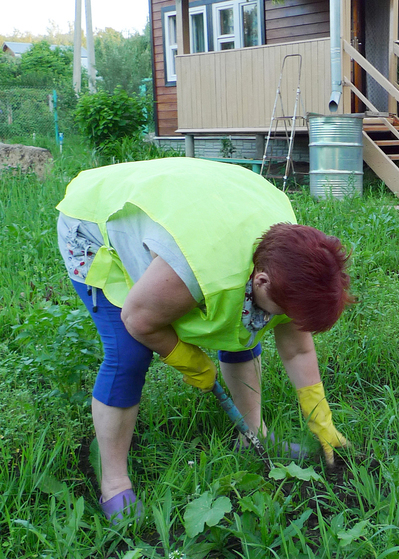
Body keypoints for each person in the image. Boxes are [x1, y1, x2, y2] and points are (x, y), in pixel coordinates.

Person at [56, 157, 354, 523]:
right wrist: (186, 358)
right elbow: (138, 318)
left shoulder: (293, 262)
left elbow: (297, 346)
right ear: (260, 280)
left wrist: (321, 419)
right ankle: (114, 483)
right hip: (95, 219)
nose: (285, 321)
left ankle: (252, 437)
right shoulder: (198, 269)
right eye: (284, 310)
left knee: (244, 328)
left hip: (198, 202)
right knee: (129, 353)